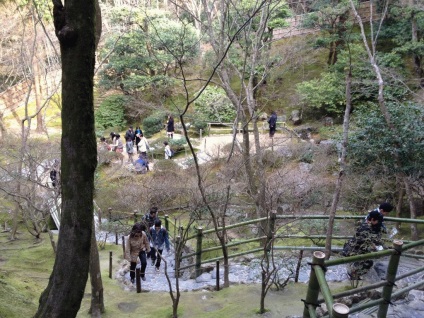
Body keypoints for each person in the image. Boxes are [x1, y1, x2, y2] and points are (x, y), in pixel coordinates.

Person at [342, 211, 384, 280]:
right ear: (372, 219)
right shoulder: (366, 228)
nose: (378, 223)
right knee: (368, 263)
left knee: (367, 260)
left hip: (353, 248)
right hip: (353, 250)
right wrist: (375, 247)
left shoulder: (366, 225)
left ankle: (354, 272)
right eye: (377, 221)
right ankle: (354, 275)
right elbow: (367, 242)